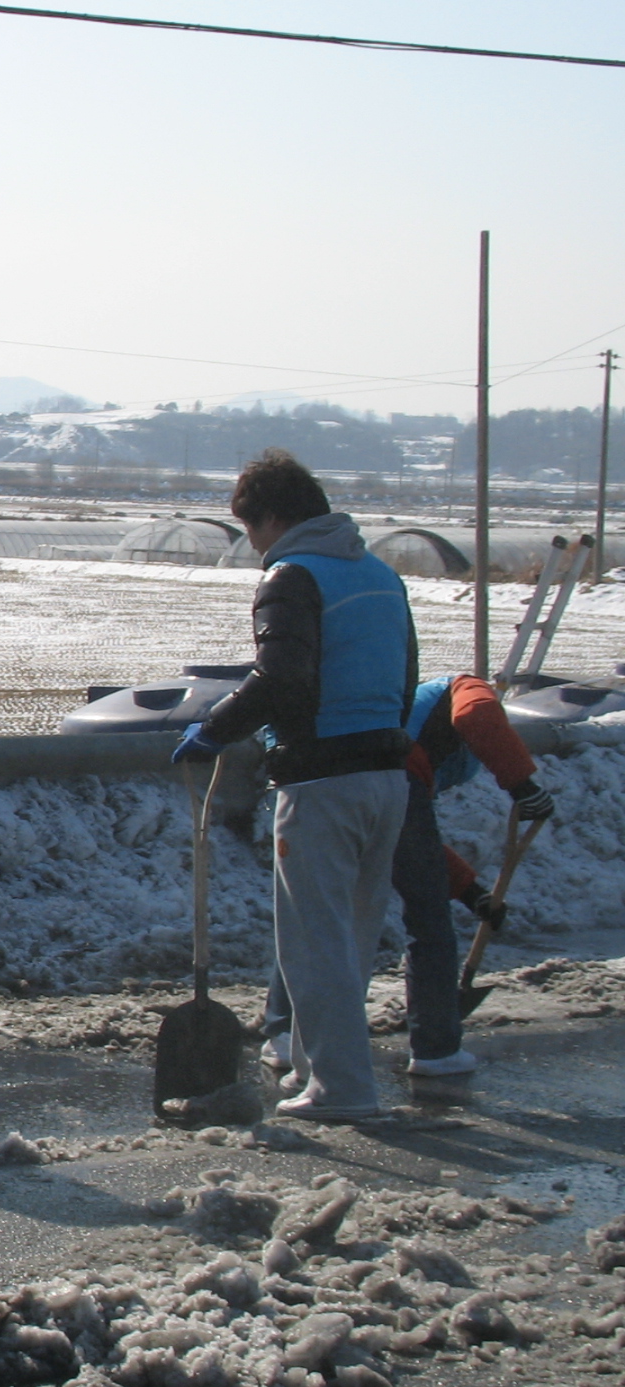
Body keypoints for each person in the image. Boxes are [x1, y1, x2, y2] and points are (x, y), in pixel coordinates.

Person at [175, 449, 415, 1123]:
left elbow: (281, 677)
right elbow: (405, 678)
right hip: (386, 774)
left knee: (313, 941)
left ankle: (342, 1090)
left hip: (321, 779)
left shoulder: (292, 576)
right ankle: (315, 1070)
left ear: (273, 518)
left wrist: (216, 729)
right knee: (353, 938)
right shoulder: (381, 576)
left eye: (250, 529)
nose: (253, 545)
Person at [256, 671, 552, 1081]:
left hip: (322, 780)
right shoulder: (462, 686)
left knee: (312, 910)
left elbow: (412, 844)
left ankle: (284, 1034)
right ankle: (436, 1048)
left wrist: (471, 892)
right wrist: (523, 784)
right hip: (389, 774)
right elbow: (478, 714)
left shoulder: (398, 711)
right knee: (428, 921)